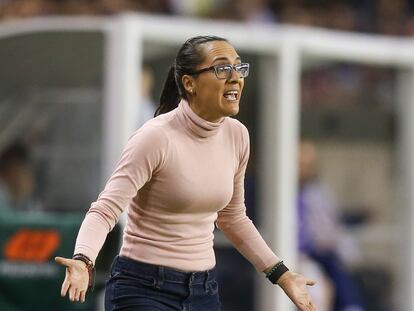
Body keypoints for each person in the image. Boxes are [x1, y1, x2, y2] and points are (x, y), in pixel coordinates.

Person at [55, 35, 316, 311]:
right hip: (143, 289)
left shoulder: (238, 136)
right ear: (189, 83)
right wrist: (83, 259)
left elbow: (233, 217)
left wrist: (282, 274)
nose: (235, 78)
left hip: (203, 292)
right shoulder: (155, 137)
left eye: (239, 68)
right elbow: (105, 210)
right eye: (221, 68)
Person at [298, 140, 364, 311]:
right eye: (301, 163)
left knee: (337, 277)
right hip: (290, 256)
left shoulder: (318, 192)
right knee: (316, 285)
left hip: (319, 254)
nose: (305, 169)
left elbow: (331, 230)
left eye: (309, 165)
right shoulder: (275, 192)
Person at [0, 142, 36, 214]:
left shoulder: (18, 199)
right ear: (13, 170)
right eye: (25, 172)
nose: (30, 178)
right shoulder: (2, 196)